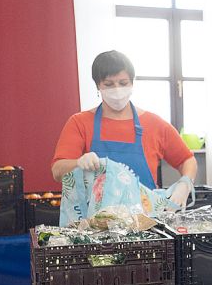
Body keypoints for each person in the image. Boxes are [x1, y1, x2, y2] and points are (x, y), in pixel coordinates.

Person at [51, 50, 196, 207]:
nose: (117, 89)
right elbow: (58, 171)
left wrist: (185, 183)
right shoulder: (79, 123)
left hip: (146, 221)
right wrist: (78, 163)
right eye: (108, 84)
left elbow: (186, 160)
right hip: (95, 224)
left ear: (132, 83)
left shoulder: (154, 124)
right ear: (97, 85)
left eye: (123, 83)